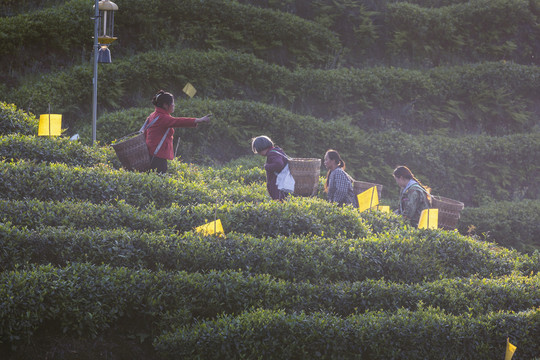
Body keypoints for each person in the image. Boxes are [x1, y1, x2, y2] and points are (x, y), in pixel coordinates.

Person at [144, 90, 212, 174]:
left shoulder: (153, 115)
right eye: (172, 103)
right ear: (165, 105)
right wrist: (199, 120)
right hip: (157, 155)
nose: (174, 105)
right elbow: (179, 121)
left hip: (151, 152)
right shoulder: (162, 117)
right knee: (160, 177)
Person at [251, 135, 289, 201]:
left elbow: (279, 164)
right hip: (283, 184)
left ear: (261, 148)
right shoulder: (277, 151)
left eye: (258, 151)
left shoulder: (272, 154)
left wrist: (267, 167)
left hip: (278, 186)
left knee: (280, 202)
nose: (259, 153)